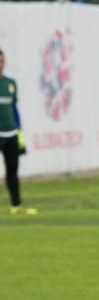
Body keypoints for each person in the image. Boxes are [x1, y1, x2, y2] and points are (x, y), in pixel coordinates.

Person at [0, 49, 35, 216]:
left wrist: (19, 133)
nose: (0, 65)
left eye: (2, 61)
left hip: (11, 133)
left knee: (12, 170)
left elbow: (14, 108)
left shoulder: (10, 83)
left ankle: (16, 205)